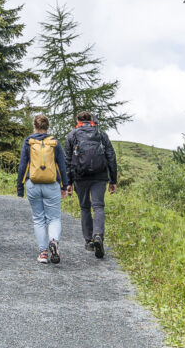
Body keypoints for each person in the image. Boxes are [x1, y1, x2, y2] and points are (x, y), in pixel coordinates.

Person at [63, 110, 118, 259]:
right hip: (100, 176)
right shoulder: (101, 134)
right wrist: (113, 180)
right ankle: (98, 235)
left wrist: (68, 182)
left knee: (85, 207)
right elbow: (111, 157)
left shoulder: (72, 135)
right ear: (92, 120)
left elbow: (67, 160)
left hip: (80, 176)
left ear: (77, 121)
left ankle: (89, 241)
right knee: (98, 206)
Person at [16, 113, 69, 264]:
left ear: (35, 126)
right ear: (47, 127)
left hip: (33, 184)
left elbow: (22, 165)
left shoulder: (29, 141)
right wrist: (64, 186)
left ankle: (43, 253)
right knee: (54, 218)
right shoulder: (54, 142)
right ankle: (54, 241)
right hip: (51, 184)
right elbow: (62, 166)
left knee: (38, 218)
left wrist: (20, 186)